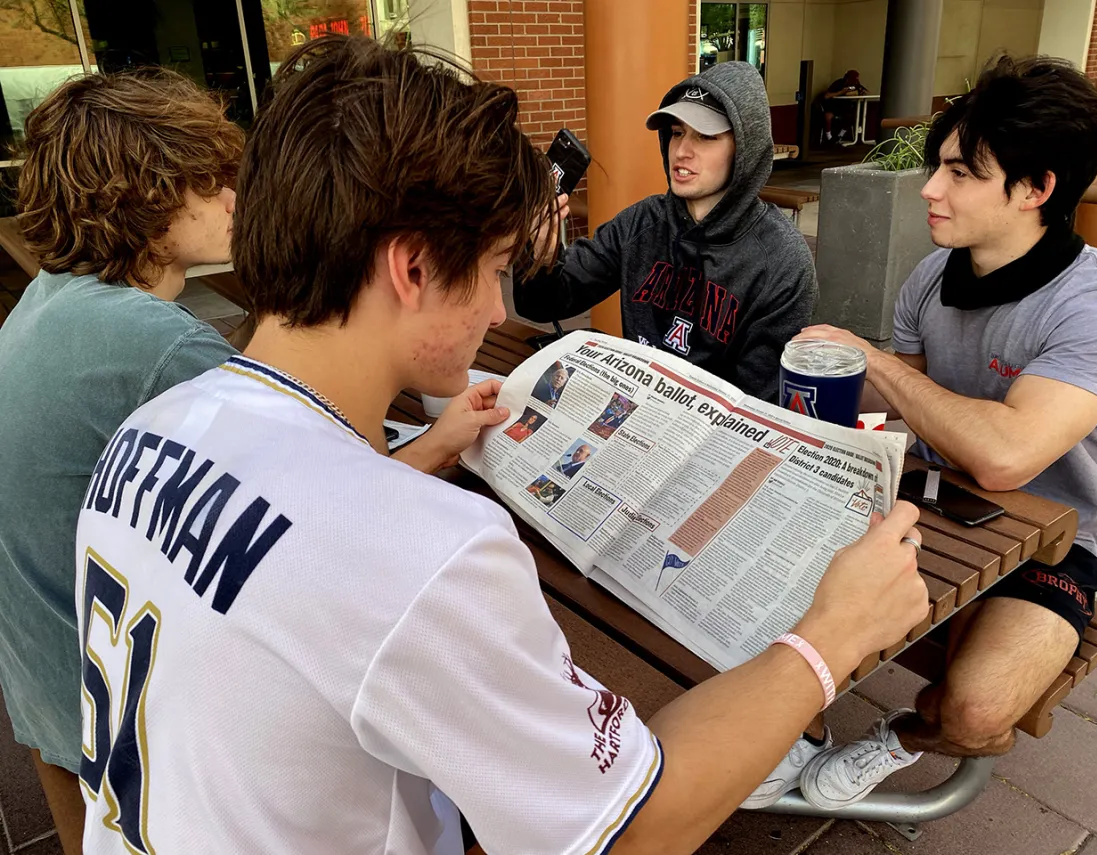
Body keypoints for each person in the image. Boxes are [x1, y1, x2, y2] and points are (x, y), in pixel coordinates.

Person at [75, 35, 928, 854]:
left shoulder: (146, 434)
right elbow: (631, 828)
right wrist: (831, 636)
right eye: (489, 269)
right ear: (411, 268)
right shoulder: (430, 551)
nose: (495, 310)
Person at [792, 55, 1097, 809]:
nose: (930, 189)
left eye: (960, 172)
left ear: (1036, 188)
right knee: (765, 552)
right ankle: (787, 729)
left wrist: (877, 363)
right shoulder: (932, 276)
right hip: (934, 503)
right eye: (935, 166)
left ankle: (898, 739)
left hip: (1056, 539)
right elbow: (908, 421)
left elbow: (1008, 456)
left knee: (975, 710)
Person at [0, 69, 245, 855]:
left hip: (43, 689)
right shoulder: (158, 344)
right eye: (212, 178)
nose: (235, 196)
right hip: (124, 724)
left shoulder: (44, 302)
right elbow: (310, 502)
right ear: (147, 193)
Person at [513, 61, 816, 402]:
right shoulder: (641, 224)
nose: (682, 151)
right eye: (676, 132)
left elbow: (762, 403)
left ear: (744, 149)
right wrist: (539, 254)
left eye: (705, 136)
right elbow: (545, 305)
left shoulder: (781, 261)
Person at [815, 69, 868, 145]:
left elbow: (866, 92)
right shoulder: (839, 83)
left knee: (851, 115)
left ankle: (840, 136)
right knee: (828, 116)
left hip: (844, 106)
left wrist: (860, 92)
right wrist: (841, 92)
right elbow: (826, 96)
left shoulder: (855, 84)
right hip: (832, 105)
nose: (856, 80)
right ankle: (829, 137)